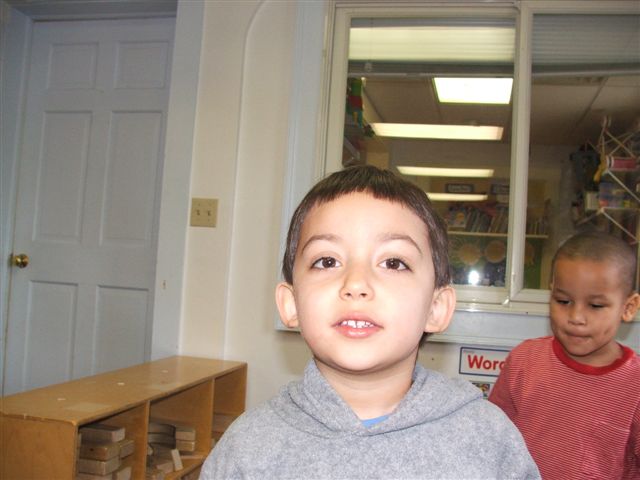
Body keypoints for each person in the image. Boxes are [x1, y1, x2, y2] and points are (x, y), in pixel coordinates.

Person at [200, 165, 539, 479]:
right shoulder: (246, 449)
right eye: (327, 261)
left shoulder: (489, 440)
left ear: (436, 308)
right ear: (291, 304)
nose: (356, 284)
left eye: (393, 263)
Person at [489, 231, 640, 479]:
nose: (576, 317)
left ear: (628, 307)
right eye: (563, 301)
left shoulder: (635, 386)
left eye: (596, 306)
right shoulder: (524, 361)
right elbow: (491, 436)